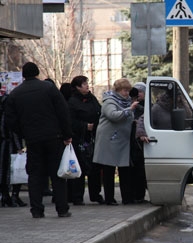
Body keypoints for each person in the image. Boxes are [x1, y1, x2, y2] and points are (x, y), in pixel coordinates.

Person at [5, 62, 73, 218]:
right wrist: (67, 134)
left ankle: (36, 209)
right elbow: (63, 111)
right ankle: (62, 209)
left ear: (23, 75)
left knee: (34, 174)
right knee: (57, 173)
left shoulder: (16, 94)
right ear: (37, 72)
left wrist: (23, 133)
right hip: (53, 137)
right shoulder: (49, 88)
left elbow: (10, 120)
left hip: (32, 139)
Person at [93, 78, 138, 205]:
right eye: (124, 90)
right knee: (109, 170)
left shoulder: (126, 101)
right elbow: (113, 115)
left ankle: (127, 198)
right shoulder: (110, 101)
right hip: (110, 140)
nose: (127, 93)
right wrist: (129, 110)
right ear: (118, 90)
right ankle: (109, 198)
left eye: (128, 91)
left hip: (121, 140)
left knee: (124, 169)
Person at [68, 75, 102, 205]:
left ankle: (96, 194)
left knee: (94, 167)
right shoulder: (72, 101)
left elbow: (99, 111)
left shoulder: (91, 98)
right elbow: (70, 120)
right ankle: (77, 196)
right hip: (79, 139)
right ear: (77, 87)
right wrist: (84, 126)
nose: (87, 85)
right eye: (83, 84)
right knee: (79, 168)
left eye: (87, 83)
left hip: (93, 137)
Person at [0, 92, 27, 207]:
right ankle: (14, 196)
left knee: (4, 171)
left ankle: (5, 195)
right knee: (16, 170)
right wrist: (19, 147)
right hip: (9, 145)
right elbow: (13, 129)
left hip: (4, 144)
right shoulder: (9, 108)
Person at [130, 82, 148, 203]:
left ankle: (140, 195)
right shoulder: (130, 105)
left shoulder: (148, 107)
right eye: (136, 92)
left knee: (141, 170)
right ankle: (133, 195)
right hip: (130, 141)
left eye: (141, 92)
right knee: (132, 170)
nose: (139, 94)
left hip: (142, 142)